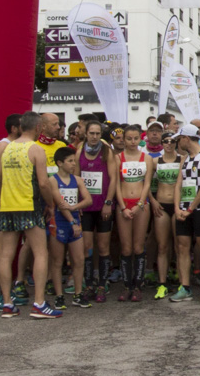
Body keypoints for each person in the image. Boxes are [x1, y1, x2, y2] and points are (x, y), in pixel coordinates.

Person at [0, 111, 60, 319]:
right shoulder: (35, 149)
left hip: (8, 207)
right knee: (40, 252)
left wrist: (2, 202)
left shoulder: (6, 147)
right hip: (29, 206)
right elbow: (44, 183)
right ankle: (39, 303)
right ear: (38, 128)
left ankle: (7, 303)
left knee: (5, 254)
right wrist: (50, 204)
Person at [170, 124, 200, 304]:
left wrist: (190, 209)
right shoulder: (184, 158)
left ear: (186, 138)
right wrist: (177, 208)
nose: (177, 143)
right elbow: (178, 184)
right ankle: (185, 286)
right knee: (182, 246)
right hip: (183, 208)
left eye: (178, 139)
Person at [47, 147, 93, 310]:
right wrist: (72, 220)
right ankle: (59, 296)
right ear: (60, 163)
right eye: (70, 161)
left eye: (74, 160)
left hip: (74, 222)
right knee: (58, 261)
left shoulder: (78, 180)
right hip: (59, 222)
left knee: (79, 259)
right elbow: (59, 203)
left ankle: (78, 294)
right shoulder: (52, 180)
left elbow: (88, 199)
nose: (74, 164)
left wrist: (74, 207)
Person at [75, 120, 117, 303]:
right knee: (86, 247)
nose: (94, 137)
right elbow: (76, 179)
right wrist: (78, 205)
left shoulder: (107, 151)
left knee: (103, 247)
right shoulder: (79, 151)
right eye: (91, 133)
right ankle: (89, 284)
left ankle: (102, 283)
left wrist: (108, 202)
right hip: (86, 207)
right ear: (86, 134)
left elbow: (114, 179)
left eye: (97, 134)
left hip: (103, 206)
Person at [0, 114, 23, 311]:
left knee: (10, 249)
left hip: (15, 203)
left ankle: (7, 290)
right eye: (22, 125)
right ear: (15, 128)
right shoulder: (3, 145)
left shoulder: (19, 145)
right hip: (2, 204)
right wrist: (2, 204)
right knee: (3, 250)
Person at [115, 125, 154, 302]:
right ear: (124, 140)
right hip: (123, 203)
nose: (132, 142)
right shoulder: (117, 158)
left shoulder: (146, 158)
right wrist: (123, 207)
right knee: (126, 248)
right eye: (128, 138)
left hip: (141, 204)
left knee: (138, 247)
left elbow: (147, 184)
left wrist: (139, 204)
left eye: (135, 138)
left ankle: (138, 285)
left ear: (140, 139)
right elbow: (115, 183)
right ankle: (126, 286)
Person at [149, 132, 181, 300]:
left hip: (177, 205)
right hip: (161, 205)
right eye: (165, 141)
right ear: (161, 143)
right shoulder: (155, 161)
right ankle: (162, 283)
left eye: (172, 141)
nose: (169, 144)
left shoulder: (181, 159)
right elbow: (146, 183)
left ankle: (183, 282)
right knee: (162, 246)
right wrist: (153, 201)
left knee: (179, 246)